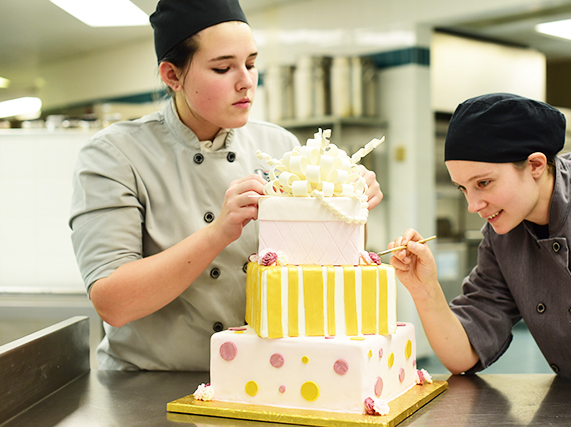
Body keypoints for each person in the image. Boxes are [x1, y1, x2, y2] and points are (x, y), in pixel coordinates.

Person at [69, 0, 383, 371]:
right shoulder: (115, 155)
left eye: (250, 64)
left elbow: (321, 269)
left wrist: (347, 210)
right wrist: (219, 231)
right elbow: (113, 303)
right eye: (223, 68)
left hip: (261, 377)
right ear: (172, 76)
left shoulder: (280, 147)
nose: (246, 81)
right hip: (146, 385)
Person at [388, 93, 571, 427]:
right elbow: (462, 354)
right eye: (463, 189)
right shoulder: (502, 237)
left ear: (535, 165)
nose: (473, 205)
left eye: (484, 183)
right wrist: (425, 290)